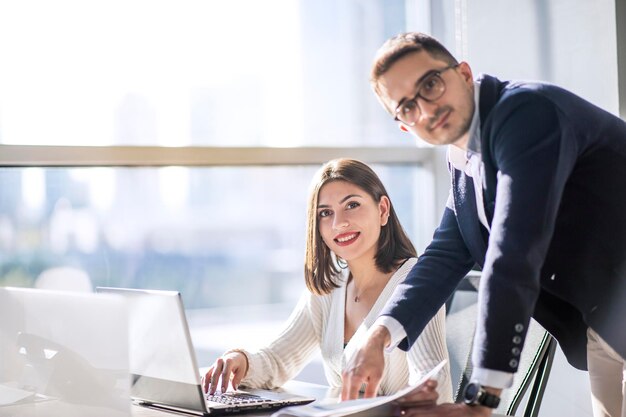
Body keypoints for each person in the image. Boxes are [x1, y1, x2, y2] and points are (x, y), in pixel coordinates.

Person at [341, 32, 626, 417]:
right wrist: (377, 336)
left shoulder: (525, 113)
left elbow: (514, 251)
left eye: (430, 84)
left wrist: (482, 399)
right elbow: (444, 255)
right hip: (607, 323)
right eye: (407, 107)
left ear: (463, 73)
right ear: (404, 127)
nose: (426, 109)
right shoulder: (464, 162)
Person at [202, 158, 452, 403]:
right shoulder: (329, 287)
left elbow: (433, 388)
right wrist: (241, 361)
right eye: (325, 213)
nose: (339, 223)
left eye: (352, 205)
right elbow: (277, 361)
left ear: (383, 210)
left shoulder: (416, 283)